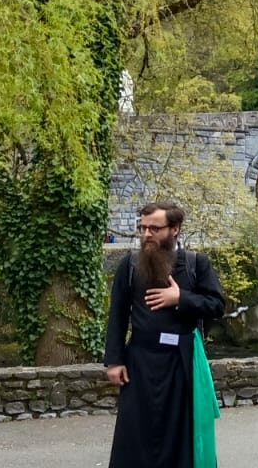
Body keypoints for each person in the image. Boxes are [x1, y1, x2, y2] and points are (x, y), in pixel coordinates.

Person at [105, 201, 228, 468]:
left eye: (154, 228)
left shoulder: (197, 264)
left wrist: (180, 298)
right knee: (136, 432)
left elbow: (217, 306)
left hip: (181, 363)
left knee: (179, 432)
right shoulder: (130, 266)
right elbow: (117, 314)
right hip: (140, 361)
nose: (146, 234)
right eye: (143, 228)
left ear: (174, 229)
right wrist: (114, 360)